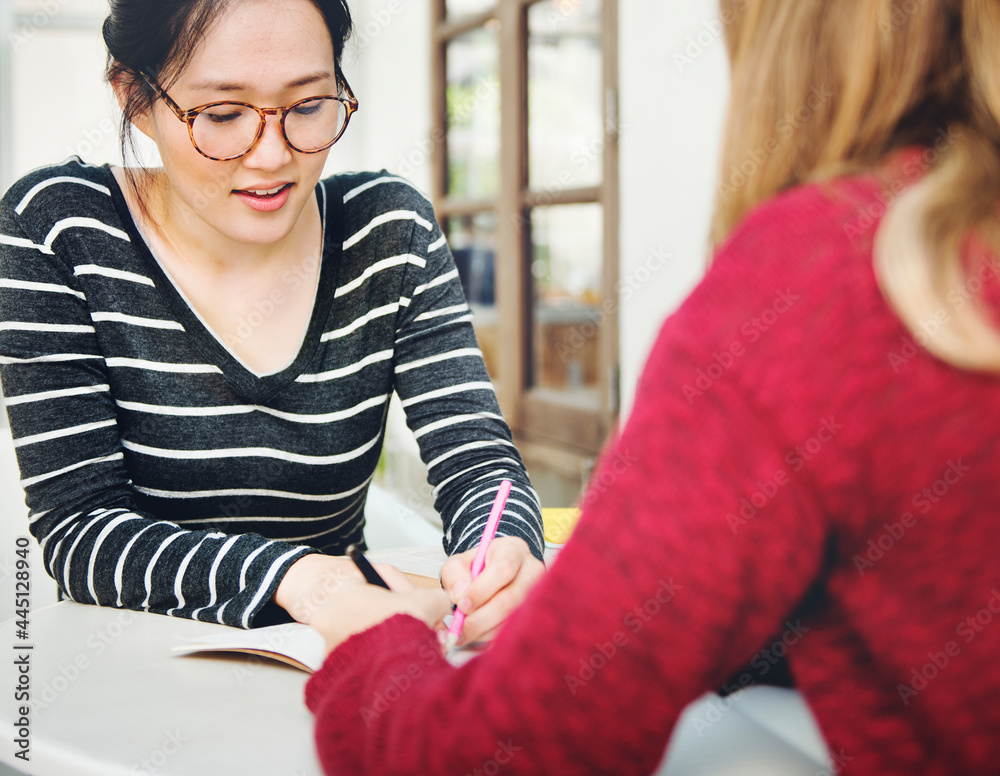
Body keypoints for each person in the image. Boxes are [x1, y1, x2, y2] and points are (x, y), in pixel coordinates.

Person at [301, 0, 1000, 773]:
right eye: (224, 112)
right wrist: (613, 604)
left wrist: (372, 639)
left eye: (306, 106)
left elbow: (489, 755)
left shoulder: (828, 277)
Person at [0, 0, 544, 639]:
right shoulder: (58, 231)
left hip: (348, 659)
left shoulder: (388, 233)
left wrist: (503, 549)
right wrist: (306, 582)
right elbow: (81, 532)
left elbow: (477, 461)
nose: (271, 156)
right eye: (223, 115)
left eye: (309, 105)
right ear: (135, 97)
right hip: (132, 679)